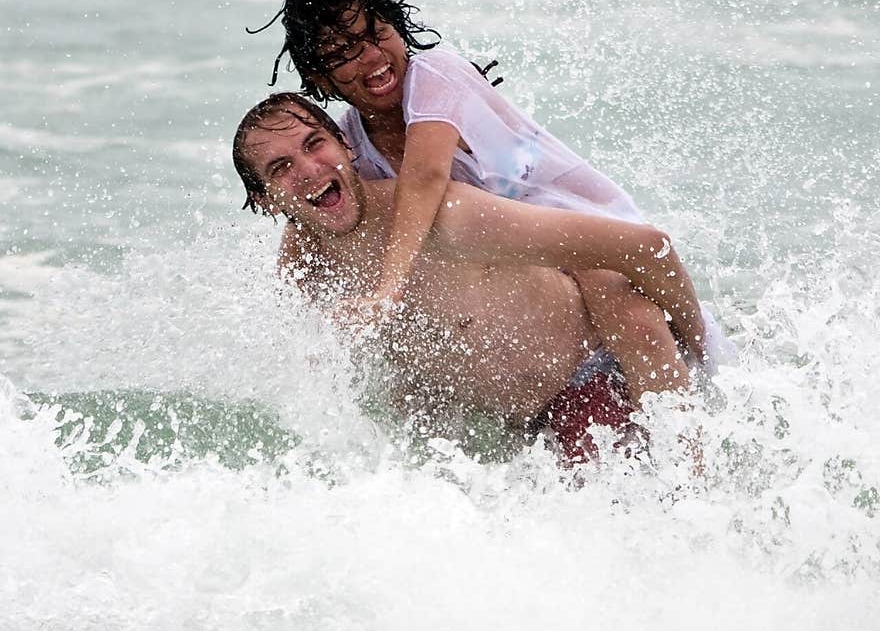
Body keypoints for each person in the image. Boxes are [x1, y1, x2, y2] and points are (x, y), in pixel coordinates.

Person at [250, 0, 728, 372]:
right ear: (318, 77)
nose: (372, 57)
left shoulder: (437, 74)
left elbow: (424, 179)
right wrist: (299, 328)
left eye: (378, 34)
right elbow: (312, 223)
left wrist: (387, 291)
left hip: (594, 237)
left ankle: (704, 371)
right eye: (345, 53)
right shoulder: (347, 143)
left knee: (622, 302)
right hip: (540, 277)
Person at [232, 93, 706, 463]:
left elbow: (646, 247)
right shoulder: (304, 270)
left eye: (315, 145)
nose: (309, 170)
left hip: (596, 381)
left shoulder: (444, 217)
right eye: (281, 168)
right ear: (265, 201)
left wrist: (699, 346)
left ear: (347, 147)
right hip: (513, 429)